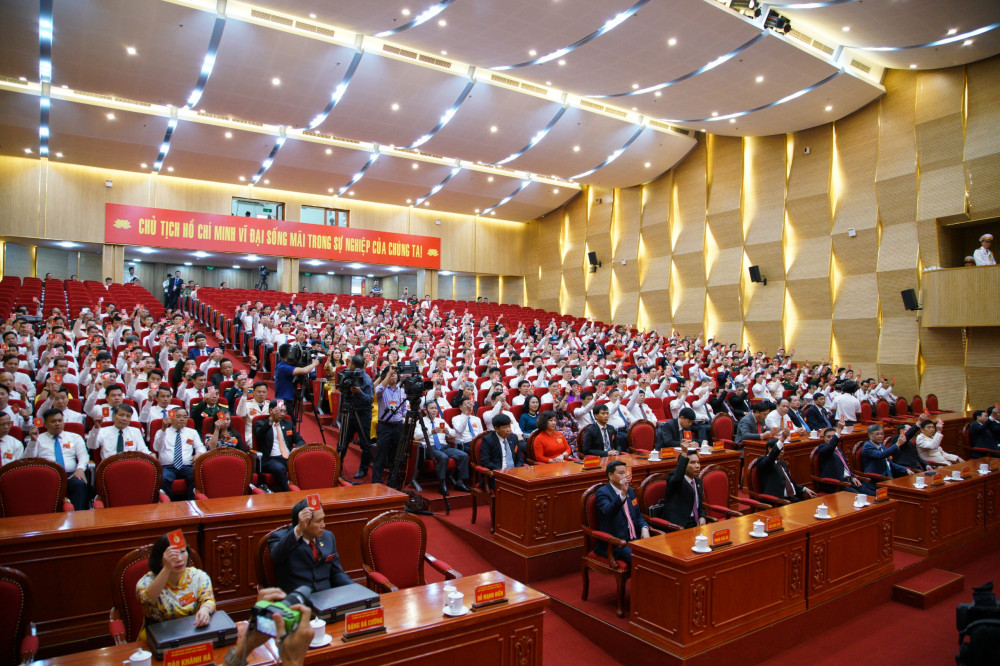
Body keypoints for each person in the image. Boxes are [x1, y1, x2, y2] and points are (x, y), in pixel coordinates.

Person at [136, 532, 215, 638]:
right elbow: (147, 599)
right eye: (172, 555)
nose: (179, 559)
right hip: (157, 638)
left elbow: (208, 599)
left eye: (182, 551)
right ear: (160, 558)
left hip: (190, 634)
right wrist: (167, 568)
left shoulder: (198, 576)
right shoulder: (146, 582)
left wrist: (205, 609)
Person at [268, 498, 353, 594]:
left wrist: (355, 589)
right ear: (304, 523)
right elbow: (276, 555)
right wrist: (299, 529)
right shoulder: (280, 538)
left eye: (323, 519)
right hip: (298, 598)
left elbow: (337, 573)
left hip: (327, 597)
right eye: (318, 521)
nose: (323, 525)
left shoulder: (328, 537)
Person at [23, 408, 90, 509]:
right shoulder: (38, 438)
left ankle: (78, 515)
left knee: (80, 484)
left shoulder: (75, 437)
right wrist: (33, 441)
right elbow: (28, 460)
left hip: (70, 474)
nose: (57, 424)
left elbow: (83, 455)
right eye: (53, 421)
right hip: (46, 475)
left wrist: (80, 469)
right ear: (45, 424)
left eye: (60, 420)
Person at [593, 460, 649, 566]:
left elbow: (638, 515)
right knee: (642, 561)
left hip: (635, 538)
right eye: (621, 473)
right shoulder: (602, 493)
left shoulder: (630, 491)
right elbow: (609, 512)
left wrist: (644, 528)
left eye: (625, 473)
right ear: (610, 475)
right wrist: (622, 494)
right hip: (617, 543)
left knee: (658, 555)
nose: (625, 476)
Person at [413, 401, 470, 495]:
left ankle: (460, 482)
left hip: (444, 446)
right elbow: (416, 436)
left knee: (463, 455)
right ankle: (442, 483)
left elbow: (453, 434)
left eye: (435, 408)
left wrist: (448, 432)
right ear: (425, 411)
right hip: (430, 447)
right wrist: (431, 432)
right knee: (443, 457)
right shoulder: (421, 421)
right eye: (431, 408)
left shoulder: (441, 421)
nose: (434, 410)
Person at [152, 407, 205, 499]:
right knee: (163, 478)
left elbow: (200, 447)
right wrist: (163, 429)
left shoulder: (192, 432)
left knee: (196, 476)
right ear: (171, 417)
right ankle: (167, 503)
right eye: (178, 416)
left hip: (186, 466)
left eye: (185, 417)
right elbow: (156, 448)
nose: (182, 419)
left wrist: (198, 454)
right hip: (167, 466)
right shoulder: (162, 432)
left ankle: (192, 503)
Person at [253, 401, 305, 492]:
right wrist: (271, 421)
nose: (282, 414)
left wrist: (296, 447)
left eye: (284, 411)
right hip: (271, 459)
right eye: (280, 411)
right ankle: (291, 492)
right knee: (279, 468)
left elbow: (300, 440)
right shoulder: (260, 423)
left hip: (289, 457)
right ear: (271, 410)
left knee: (307, 463)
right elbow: (259, 435)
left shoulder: (288, 424)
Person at [371, 365, 405, 485]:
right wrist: (388, 373)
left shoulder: (401, 391)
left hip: (398, 426)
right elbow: (377, 390)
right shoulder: (382, 389)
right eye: (391, 374)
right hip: (385, 426)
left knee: (395, 456)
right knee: (381, 455)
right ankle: (376, 482)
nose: (393, 376)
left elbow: (404, 409)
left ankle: (393, 482)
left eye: (395, 374)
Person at [757, 438, 817, 502]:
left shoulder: (782, 463)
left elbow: (790, 484)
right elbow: (770, 458)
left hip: (793, 499)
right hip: (779, 501)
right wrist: (782, 438)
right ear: (770, 449)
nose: (782, 451)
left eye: (783, 449)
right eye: (780, 449)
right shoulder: (763, 462)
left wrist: (804, 489)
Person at [860, 424, 913, 494]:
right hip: (876, 480)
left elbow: (889, 463)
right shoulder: (867, 446)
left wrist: (905, 469)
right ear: (870, 435)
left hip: (889, 477)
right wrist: (897, 444)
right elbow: (881, 455)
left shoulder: (882, 446)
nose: (880, 436)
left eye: (882, 434)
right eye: (877, 434)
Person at [814, 424, 864, 494]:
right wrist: (838, 431)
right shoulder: (822, 448)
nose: (831, 439)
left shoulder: (839, 450)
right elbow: (830, 447)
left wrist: (853, 477)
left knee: (871, 494)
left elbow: (845, 467)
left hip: (849, 481)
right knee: (860, 496)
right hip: (837, 484)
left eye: (833, 437)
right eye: (829, 437)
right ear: (824, 438)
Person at [662, 452, 707, 528]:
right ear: (683, 465)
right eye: (692, 462)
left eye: (698, 462)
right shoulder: (675, 478)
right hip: (679, 526)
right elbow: (676, 480)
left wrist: (702, 516)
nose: (697, 466)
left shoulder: (698, 481)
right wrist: (684, 454)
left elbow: (699, 505)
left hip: (696, 523)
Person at [480, 414, 524, 483]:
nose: (508, 430)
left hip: (515, 473)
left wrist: (517, 469)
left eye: (509, 426)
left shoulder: (513, 437)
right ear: (496, 428)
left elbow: (519, 458)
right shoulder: (488, 440)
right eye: (505, 428)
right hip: (498, 474)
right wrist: (501, 472)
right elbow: (485, 461)